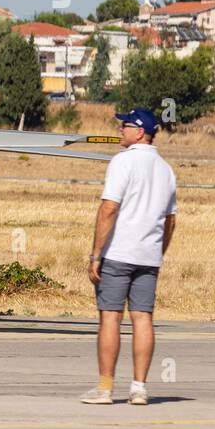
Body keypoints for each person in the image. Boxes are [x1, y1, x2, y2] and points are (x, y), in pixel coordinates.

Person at [82, 107, 177, 406]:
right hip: (148, 256)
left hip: (119, 253)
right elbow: (171, 220)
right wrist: (158, 250)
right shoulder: (165, 169)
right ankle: (139, 388)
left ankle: (105, 388)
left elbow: (109, 208)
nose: (120, 130)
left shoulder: (122, 162)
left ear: (139, 132)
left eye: (125, 125)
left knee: (110, 316)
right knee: (143, 318)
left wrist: (96, 254)